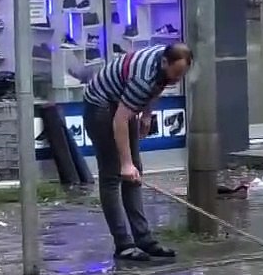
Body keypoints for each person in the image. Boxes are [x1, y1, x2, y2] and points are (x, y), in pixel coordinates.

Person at [81, 43, 192, 262]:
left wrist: (147, 114)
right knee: (114, 174)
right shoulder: (142, 79)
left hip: (121, 100)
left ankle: (144, 239)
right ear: (164, 62)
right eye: (176, 73)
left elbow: (159, 85)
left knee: (135, 173)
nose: (178, 79)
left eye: (183, 74)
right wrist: (125, 163)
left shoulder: (164, 65)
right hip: (100, 106)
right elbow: (120, 120)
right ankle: (123, 244)